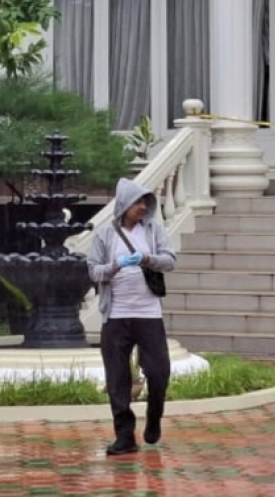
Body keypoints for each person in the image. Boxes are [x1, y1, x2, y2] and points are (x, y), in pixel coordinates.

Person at [87, 178, 178, 456]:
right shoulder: (105, 235)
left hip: (148, 314)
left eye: (145, 203)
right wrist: (114, 267)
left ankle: (153, 418)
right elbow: (93, 271)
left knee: (159, 372)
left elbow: (171, 260)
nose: (142, 207)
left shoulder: (152, 230)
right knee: (117, 379)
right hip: (115, 316)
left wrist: (147, 259)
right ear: (124, 204)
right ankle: (124, 437)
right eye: (138, 202)